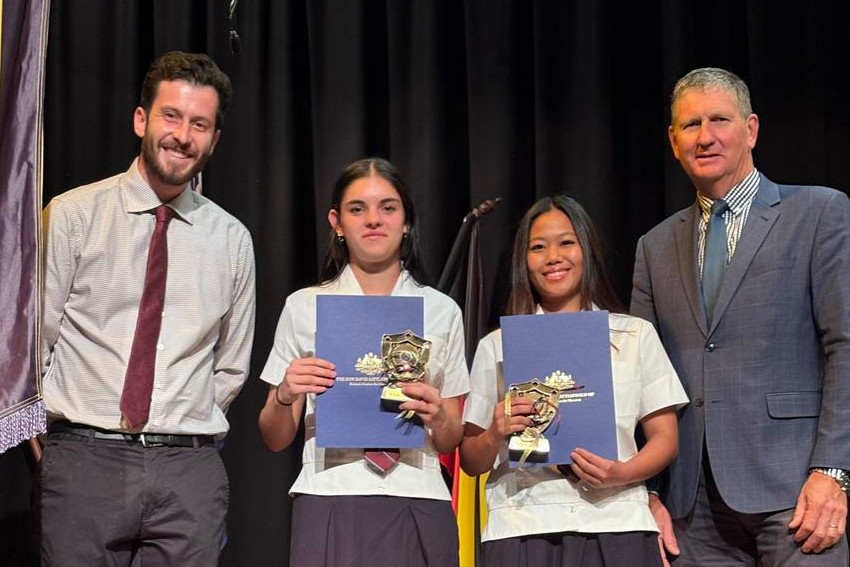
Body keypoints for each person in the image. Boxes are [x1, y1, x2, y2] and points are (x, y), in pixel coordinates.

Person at [40, 52, 255, 566]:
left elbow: (230, 366)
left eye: (199, 124)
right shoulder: (72, 216)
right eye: (171, 116)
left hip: (189, 469)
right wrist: (58, 445)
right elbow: (32, 344)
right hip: (84, 456)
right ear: (142, 120)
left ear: (214, 140)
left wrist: (182, 424)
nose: (182, 136)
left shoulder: (231, 239)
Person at [631, 67, 850, 567]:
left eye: (719, 120)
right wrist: (649, 491)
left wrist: (833, 471)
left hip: (797, 489)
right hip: (691, 505)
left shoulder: (818, 212)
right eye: (690, 125)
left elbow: (845, 344)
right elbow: (641, 378)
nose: (705, 136)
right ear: (673, 141)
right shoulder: (654, 246)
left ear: (750, 129)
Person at [258, 157, 469, 567]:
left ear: (406, 221)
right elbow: (275, 437)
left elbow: (450, 439)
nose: (374, 219)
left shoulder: (441, 311)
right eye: (358, 209)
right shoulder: (304, 306)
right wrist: (284, 395)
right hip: (329, 492)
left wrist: (439, 415)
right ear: (336, 222)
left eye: (388, 207)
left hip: (418, 493)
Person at [459, 195, 688, 567]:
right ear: (523, 260)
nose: (553, 257)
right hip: (522, 523)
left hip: (617, 520)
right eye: (538, 247)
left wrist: (621, 473)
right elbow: (471, 460)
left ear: (587, 250)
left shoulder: (633, 335)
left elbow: (665, 437)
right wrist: (495, 432)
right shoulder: (497, 346)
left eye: (566, 242)